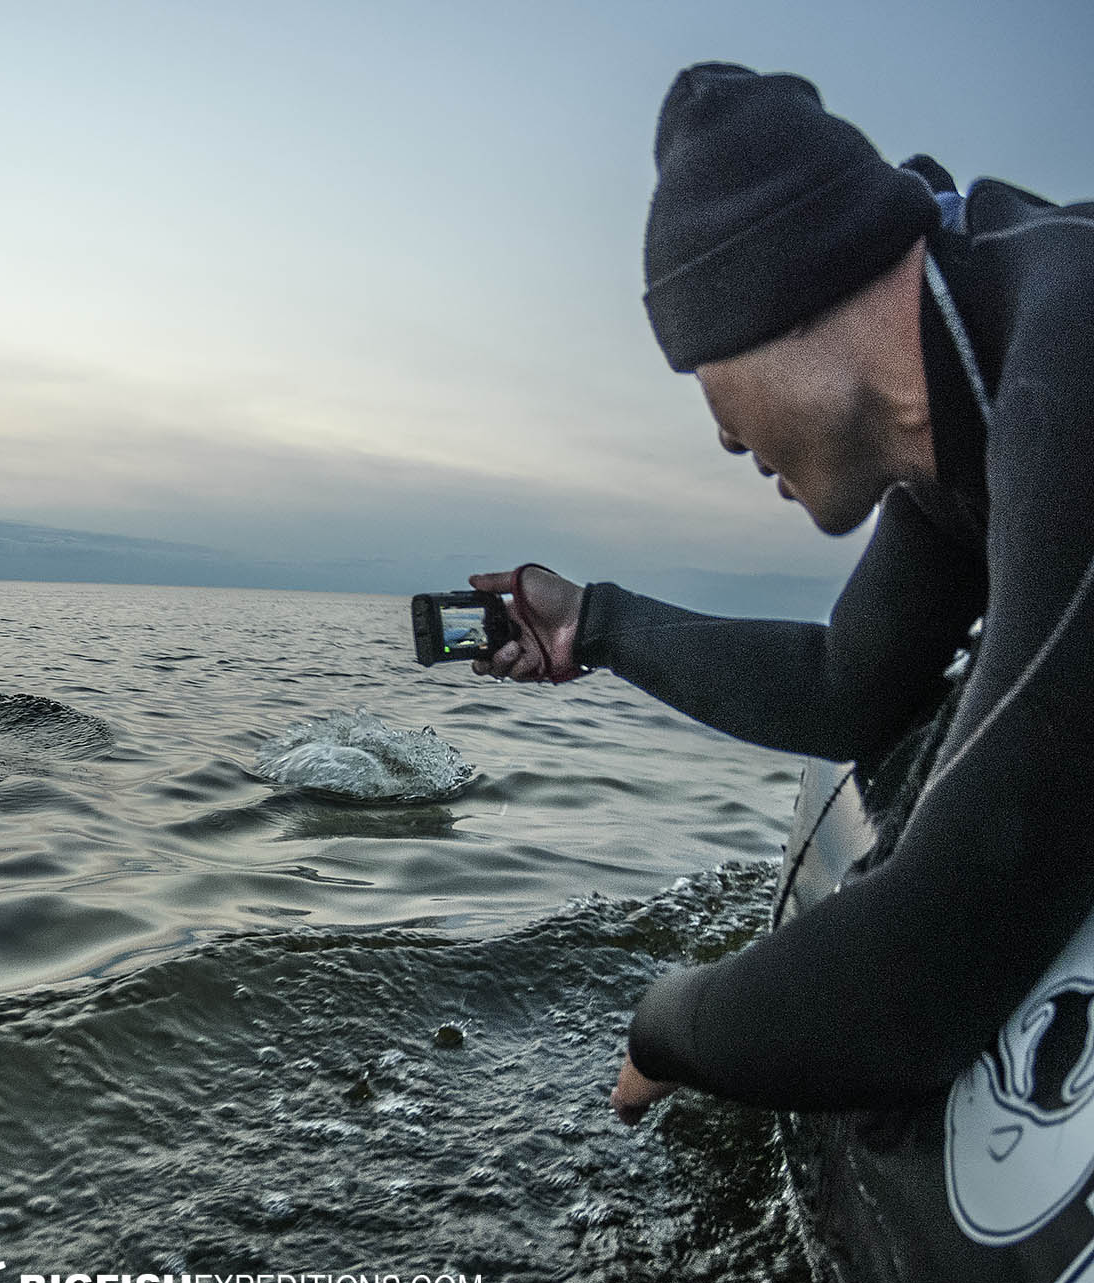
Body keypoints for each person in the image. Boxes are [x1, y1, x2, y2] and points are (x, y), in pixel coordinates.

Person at [468, 63, 1094, 1122]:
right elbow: (846, 685)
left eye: (705, 374)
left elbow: (917, 975)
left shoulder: (1066, 370)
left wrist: (662, 1027)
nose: (718, 433)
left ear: (789, 303)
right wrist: (597, 625)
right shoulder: (973, 386)